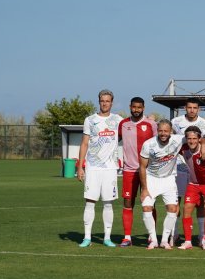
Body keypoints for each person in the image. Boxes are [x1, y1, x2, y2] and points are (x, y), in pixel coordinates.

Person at [76, 89, 122, 247]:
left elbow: (132, 128)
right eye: (102, 100)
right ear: (99, 101)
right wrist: (80, 166)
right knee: (90, 202)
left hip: (110, 168)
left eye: (108, 101)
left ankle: (107, 238)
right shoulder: (90, 120)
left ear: (112, 102)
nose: (105, 103)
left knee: (108, 203)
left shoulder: (118, 120)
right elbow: (84, 143)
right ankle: (87, 237)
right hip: (92, 167)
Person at [117, 96, 157, 246]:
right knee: (128, 202)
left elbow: (159, 142)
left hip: (148, 171)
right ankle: (127, 237)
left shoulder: (151, 124)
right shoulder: (123, 124)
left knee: (149, 203)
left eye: (139, 107)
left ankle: (151, 236)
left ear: (143, 108)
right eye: (134, 107)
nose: (136, 110)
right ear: (130, 106)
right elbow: (115, 140)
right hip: (129, 170)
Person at [138, 119, 183, 249]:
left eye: (166, 131)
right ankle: (153, 239)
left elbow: (196, 137)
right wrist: (144, 189)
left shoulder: (178, 140)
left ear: (171, 132)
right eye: (161, 131)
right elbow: (142, 167)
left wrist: (202, 146)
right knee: (146, 208)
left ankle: (164, 240)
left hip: (169, 179)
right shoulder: (149, 144)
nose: (163, 133)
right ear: (157, 131)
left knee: (172, 209)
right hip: (151, 178)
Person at [171, 99, 205, 241]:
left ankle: (201, 235)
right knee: (176, 201)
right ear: (185, 108)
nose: (192, 110)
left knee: (200, 203)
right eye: (189, 107)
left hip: (196, 167)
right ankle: (174, 233)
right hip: (180, 166)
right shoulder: (176, 121)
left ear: (198, 109)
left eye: (195, 108)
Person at [178, 127, 205, 249]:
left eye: (194, 139)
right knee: (186, 209)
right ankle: (188, 241)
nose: (191, 141)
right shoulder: (183, 149)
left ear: (199, 139)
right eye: (189, 138)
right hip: (193, 184)